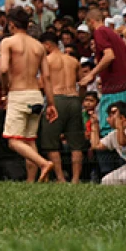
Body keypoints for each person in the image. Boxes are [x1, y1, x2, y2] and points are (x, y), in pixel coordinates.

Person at [0, 8, 58, 182]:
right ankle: (33, 182)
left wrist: (4, 90)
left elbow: (3, 69)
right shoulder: (39, 46)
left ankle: (43, 164)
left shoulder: (8, 42)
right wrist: (52, 104)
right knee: (29, 140)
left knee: (13, 141)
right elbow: (46, 77)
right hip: (36, 95)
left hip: (18, 93)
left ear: (11, 25)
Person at [81, 8, 126, 138]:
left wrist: (92, 74)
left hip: (115, 89)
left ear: (91, 22)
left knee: (110, 132)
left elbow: (109, 56)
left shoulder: (100, 32)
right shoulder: (114, 35)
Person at [38, 32, 87, 183]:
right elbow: (83, 82)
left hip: (56, 99)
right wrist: (80, 99)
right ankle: (76, 179)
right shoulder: (73, 61)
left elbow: (41, 84)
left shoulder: (47, 60)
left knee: (51, 143)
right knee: (76, 144)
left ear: (47, 45)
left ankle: (60, 178)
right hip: (74, 100)